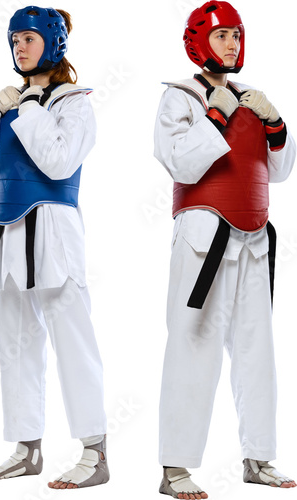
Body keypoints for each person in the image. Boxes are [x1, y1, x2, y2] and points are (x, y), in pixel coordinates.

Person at [154, 1, 296, 498]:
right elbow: (180, 164)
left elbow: (277, 171)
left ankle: (259, 457)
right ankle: (174, 469)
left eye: (236, 35)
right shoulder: (181, 99)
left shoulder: (251, 99)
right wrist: (216, 114)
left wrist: (275, 123)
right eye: (221, 36)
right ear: (198, 41)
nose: (232, 44)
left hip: (254, 238)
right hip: (203, 235)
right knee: (193, 345)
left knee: (258, 351)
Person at [0, 5, 109, 490]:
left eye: (27, 38)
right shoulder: (7, 105)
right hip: (7, 232)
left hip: (54, 230)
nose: (18, 48)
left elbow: (59, 161)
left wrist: (28, 106)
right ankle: (27, 447)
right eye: (14, 41)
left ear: (51, 41)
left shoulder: (74, 102)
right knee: (17, 342)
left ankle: (94, 450)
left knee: (72, 340)